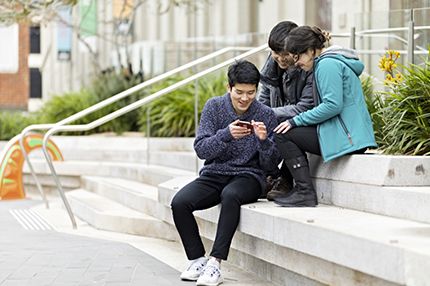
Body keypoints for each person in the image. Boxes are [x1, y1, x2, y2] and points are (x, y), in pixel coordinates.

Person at [171, 60, 279, 286]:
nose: (244, 98)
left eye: (251, 92)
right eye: (239, 92)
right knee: (180, 202)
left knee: (230, 195)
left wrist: (263, 141)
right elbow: (201, 149)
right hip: (214, 173)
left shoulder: (266, 114)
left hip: (249, 176)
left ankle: (215, 263)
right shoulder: (214, 107)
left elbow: (270, 166)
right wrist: (225, 135)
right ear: (228, 87)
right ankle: (197, 259)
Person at [273, 26, 377, 207]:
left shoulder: (327, 65)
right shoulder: (329, 62)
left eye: (298, 56)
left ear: (312, 50)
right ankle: (297, 188)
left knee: (284, 133)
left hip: (347, 138)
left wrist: (295, 120)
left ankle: (304, 192)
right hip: (348, 135)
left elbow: (332, 105)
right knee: (287, 129)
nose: (296, 62)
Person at [258, 21, 314, 201]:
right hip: (282, 117)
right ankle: (262, 178)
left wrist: (268, 113)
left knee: (284, 130)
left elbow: (306, 106)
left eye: (285, 54)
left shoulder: (307, 68)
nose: (280, 59)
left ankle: (284, 179)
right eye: (276, 54)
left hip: (304, 121)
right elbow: (263, 100)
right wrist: (259, 115)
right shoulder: (270, 69)